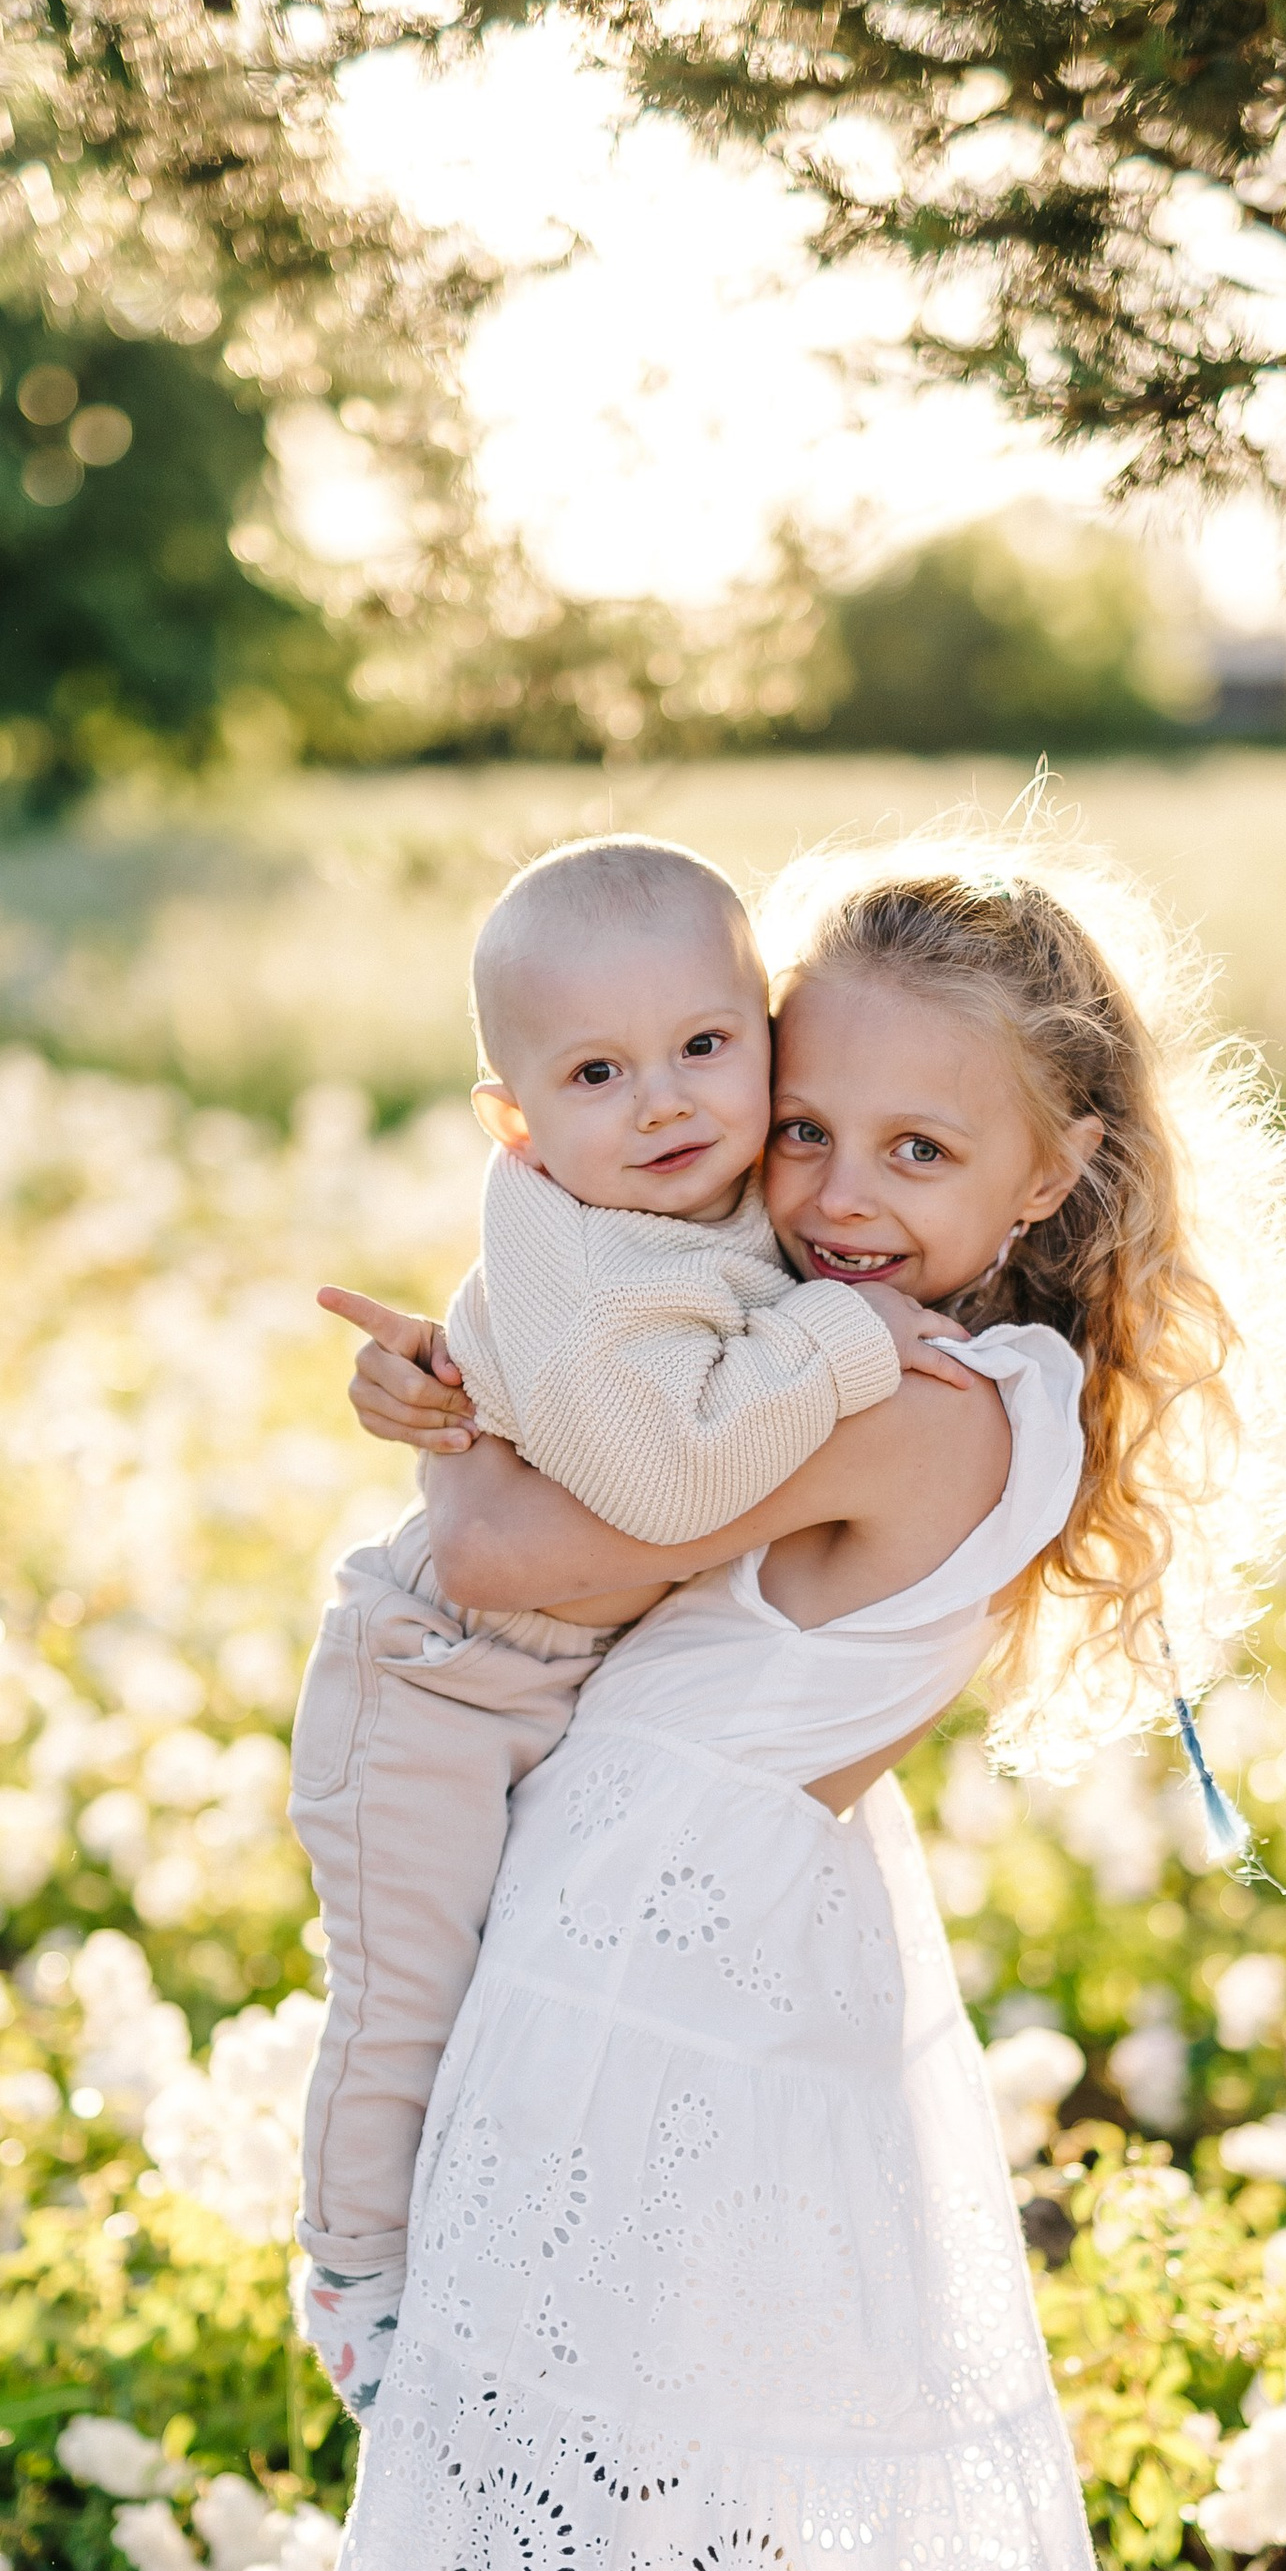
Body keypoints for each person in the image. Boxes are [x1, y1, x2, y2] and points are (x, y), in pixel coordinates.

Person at [257, 839, 1286, 2571]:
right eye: (803, 1131)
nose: (832, 1200)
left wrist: (447, 1422)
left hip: (641, 2002)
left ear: (1052, 1171)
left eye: (914, 1154)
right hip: (760, 1980)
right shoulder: (1007, 1384)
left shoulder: (888, 1403)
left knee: (612, 2537)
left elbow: (526, 1556)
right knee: (724, 2485)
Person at [290, 829, 964, 2419]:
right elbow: (667, 1480)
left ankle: (466, 2266)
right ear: (516, 1124)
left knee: (512, 2017)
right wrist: (853, 1340)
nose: (664, 1101)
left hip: (547, 1676)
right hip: (436, 1687)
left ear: (767, 1043)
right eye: (597, 1074)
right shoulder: (595, 1253)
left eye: (705, 1050)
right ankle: (354, 2277)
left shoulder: (709, 1198)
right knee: (409, 2001)